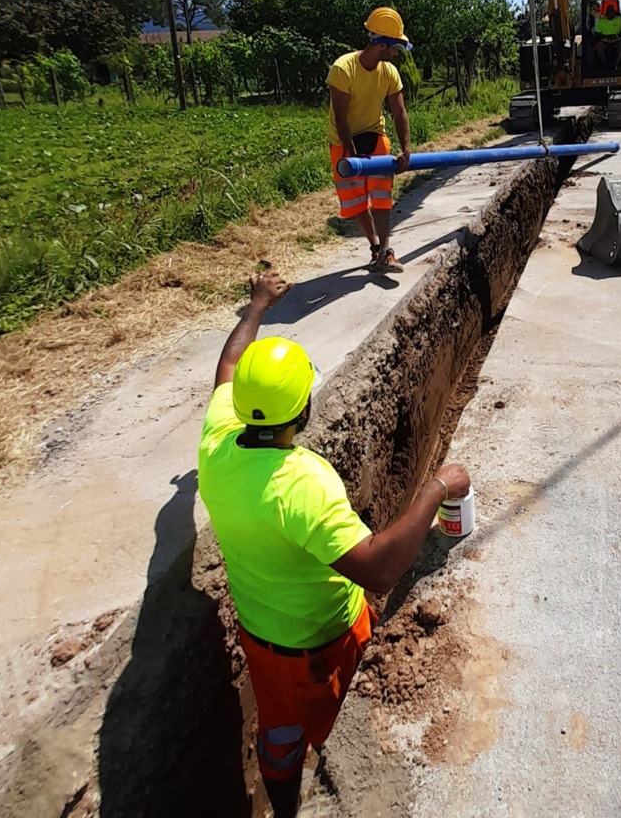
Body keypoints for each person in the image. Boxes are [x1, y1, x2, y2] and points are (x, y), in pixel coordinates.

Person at [198, 268, 471, 818]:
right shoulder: (302, 483)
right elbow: (378, 569)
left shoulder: (218, 441)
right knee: (347, 725)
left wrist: (256, 308)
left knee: (279, 739)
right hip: (323, 645)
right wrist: (438, 488)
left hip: (263, 641)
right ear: (302, 411)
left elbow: (228, 367)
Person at [327, 7, 413, 273]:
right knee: (356, 202)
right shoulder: (343, 69)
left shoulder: (388, 72)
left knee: (381, 198)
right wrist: (351, 156)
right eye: (395, 46)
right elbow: (341, 119)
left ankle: (386, 252)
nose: (396, 53)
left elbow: (399, 113)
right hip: (343, 140)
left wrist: (406, 150)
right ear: (383, 45)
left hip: (375, 137)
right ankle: (375, 246)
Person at [594, 0, 621, 69]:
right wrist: (607, 37)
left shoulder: (619, 20)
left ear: (614, 12)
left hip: (616, 40)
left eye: (611, 11)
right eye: (608, 12)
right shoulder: (601, 21)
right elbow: (596, 34)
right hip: (605, 41)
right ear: (606, 13)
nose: (610, 13)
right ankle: (604, 63)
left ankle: (616, 64)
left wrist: (616, 36)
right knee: (598, 45)